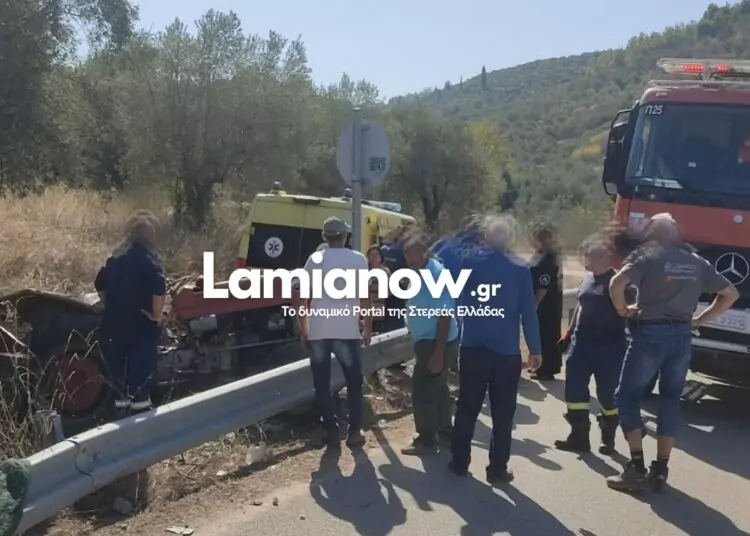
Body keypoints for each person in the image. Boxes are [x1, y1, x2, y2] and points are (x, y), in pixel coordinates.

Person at [606, 213, 738, 492]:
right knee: (669, 401)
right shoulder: (695, 261)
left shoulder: (647, 256)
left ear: (651, 233)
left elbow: (616, 283)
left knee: (626, 396)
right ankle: (660, 470)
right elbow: (730, 293)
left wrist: (621, 309)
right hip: (682, 336)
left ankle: (636, 467)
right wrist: (700, 320)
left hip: (650, 334)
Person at [444, 214, 542, 484]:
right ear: (510, 238)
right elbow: (528, 312)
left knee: (467, 407)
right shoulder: (520, 268)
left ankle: (459, 462)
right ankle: (497, 469)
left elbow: (453, 296)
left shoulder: (469, 262)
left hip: (473, 346)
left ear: (486, 237)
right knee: (502, 414)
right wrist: (535, 349)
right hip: (506, 352)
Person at [296, 217, 373, 449]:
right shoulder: (359, 260)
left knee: (322, 384)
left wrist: (304, 329)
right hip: (347, 331)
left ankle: (330, 430)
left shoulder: (314, 260)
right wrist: (368, 326)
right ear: (345, 236)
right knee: (354, 382)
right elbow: (365, 297)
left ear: (324, 237)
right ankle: (354, 432)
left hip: (319, 330)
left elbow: (301, 297)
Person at [555, 238, 632, 455]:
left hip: (609, 348)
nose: (584, 259)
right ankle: (579, 437)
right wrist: (568, 333)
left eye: (587, 255)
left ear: (602, 257)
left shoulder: (618, 282)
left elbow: (631, 310)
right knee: (574, 390)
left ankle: (608, 438)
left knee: (607, 395)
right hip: (581, 345)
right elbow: (581, 306)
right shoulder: (588, 278)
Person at [95, 211, 166, 412]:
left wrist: (107, 303)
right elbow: (159, 288)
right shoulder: (149, 262)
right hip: (140, 328)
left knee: (118, 374)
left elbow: (99, 282)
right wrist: (157, 316)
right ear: (150, 237)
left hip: (113, 325)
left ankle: (120, 411)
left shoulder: (115, 260)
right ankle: (140, 412)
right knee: (140, 375)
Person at [400, 232, 460, 454]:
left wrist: (438, 353)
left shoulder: (435, 275)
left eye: (412, 254)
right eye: (406, 254)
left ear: (425, 252)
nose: (409, 259)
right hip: (430, 341)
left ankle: (426, 440)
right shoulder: (422, 271)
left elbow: (444, 316)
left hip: (435, 342)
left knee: (423, 391)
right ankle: (445, 432)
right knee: (438, 388)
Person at [528, 219, 564, 380]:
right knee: (541, 335)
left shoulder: (548, 258)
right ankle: (539, 365)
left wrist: (534, 304)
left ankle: (546, 369)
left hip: (547, 304)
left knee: (547, 335)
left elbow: (544, 284)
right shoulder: (543, 254)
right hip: (547, 302)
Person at [366, 245, 390, 333]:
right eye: (371, 255)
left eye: (376, 255)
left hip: (379, 311)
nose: (374, 257)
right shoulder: (364, 271)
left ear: (381, 257)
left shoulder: (385, 271)